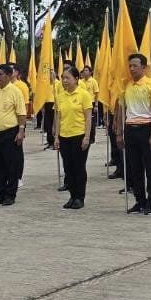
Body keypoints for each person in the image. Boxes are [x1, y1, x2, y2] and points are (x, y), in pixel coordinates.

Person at [115, 53, 151, 215]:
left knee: (150, 167)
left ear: (144, 67)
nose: (132, 69)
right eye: (130, 66)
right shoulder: (126, 85)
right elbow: (122, 109)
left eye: (135, 65)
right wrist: (119, 133)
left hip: (146, 128)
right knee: (135, 168)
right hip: (130, 128)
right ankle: (139, 200)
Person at [55, 63, 94, 209]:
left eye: (68, 78)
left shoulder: (83, 94)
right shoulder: (60, 96)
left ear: (76, 79)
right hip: (64, 136)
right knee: (68, 168)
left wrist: (86, 137)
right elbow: (59, 117)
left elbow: (88, 117)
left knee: (78, 167)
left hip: (79, 135)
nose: (64, 81)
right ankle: (72, 196)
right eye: (63, 78)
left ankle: (80, 197)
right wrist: (57, 137)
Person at [0, 64, 26, 206]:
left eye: (0, 74)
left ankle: (10, 195)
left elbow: (21, 113)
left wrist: (21, 131)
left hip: (10, 133)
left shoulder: (15, 91)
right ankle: (0, 193)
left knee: (11, 166)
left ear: (9, 76)